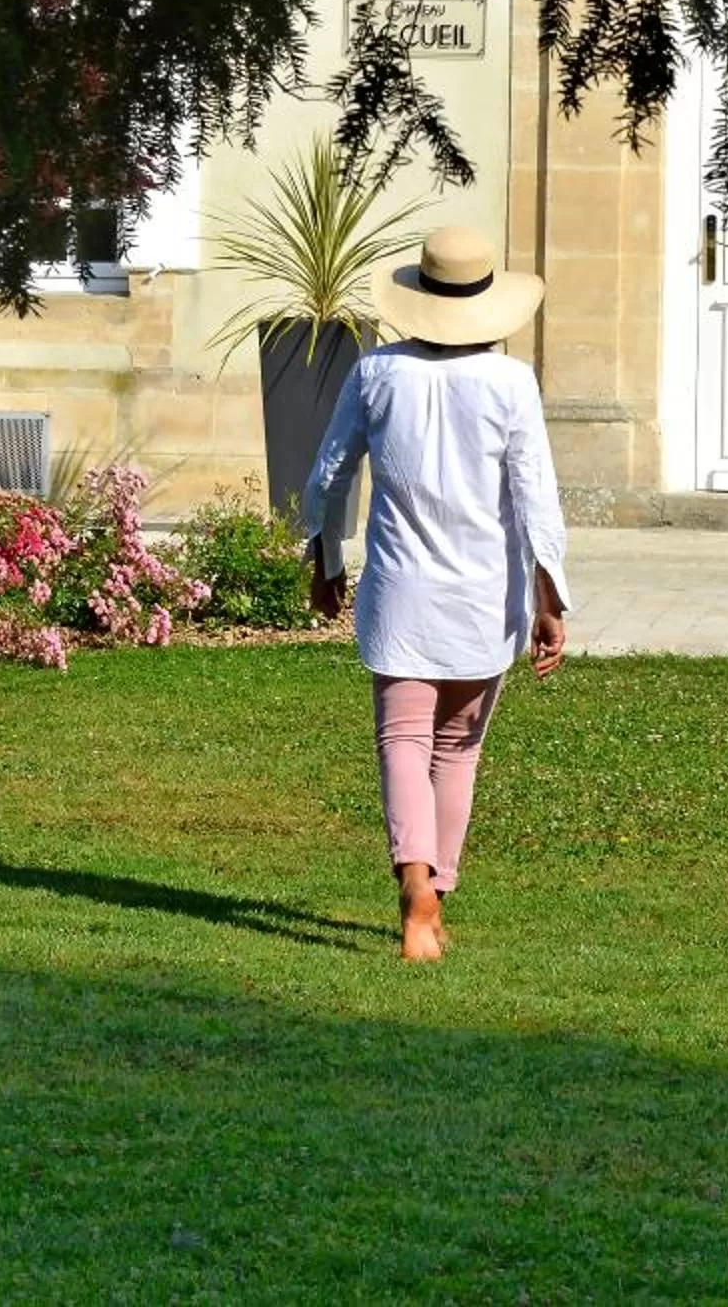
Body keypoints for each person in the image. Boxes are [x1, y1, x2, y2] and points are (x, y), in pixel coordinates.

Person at [304, 225, 570, 964]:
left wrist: (324, 556)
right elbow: (536, 497)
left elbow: (329, 471)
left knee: (402, 740)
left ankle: (414, 882)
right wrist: (550, 600)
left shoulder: (377, 373)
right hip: (484, 596)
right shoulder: (511, 382)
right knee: (457, 750)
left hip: (400, 591)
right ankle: (436, 896)